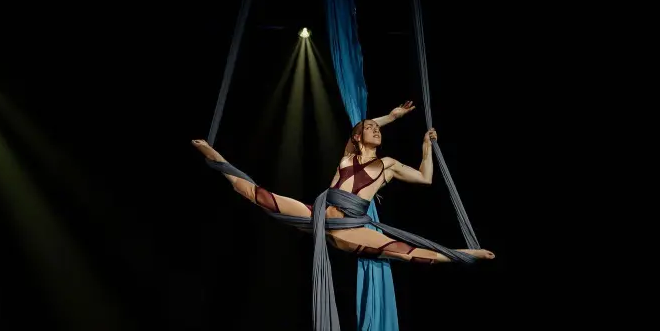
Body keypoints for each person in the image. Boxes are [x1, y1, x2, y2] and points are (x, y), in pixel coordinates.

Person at [192, 101, 494, 263]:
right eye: (370, 127)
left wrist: (426, 148)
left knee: (408, 253)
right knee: (251, 192)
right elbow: (358, 127)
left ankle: (466, 255)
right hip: (317, 217)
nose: (376, 130)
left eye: (379, 128)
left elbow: (426, 179)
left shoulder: (388, 165)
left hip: (352, 230)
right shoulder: (348, 156)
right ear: (358, 136)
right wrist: (390, 116)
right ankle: (212, 154)